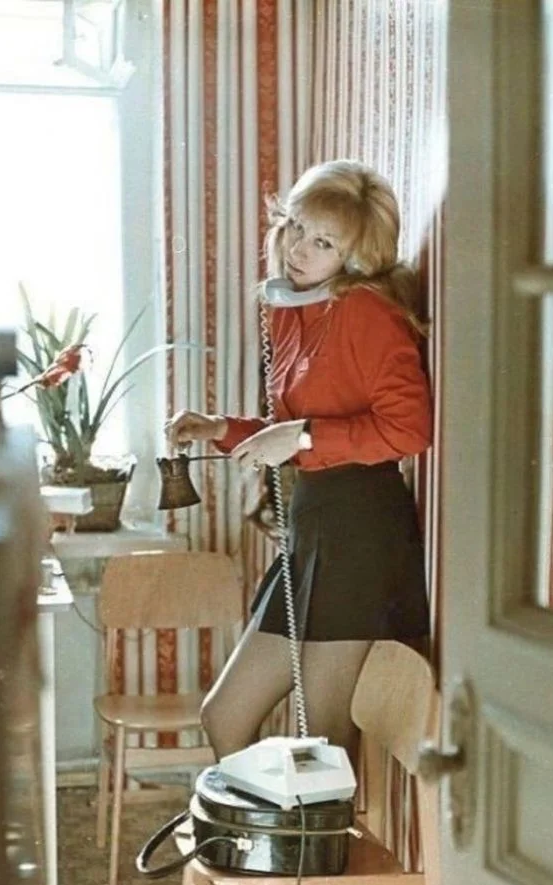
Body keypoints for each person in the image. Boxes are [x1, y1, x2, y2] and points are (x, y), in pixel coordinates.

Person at [166, 159, 432, 775]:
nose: (299, 249)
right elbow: (293, 431)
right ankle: (276, 831)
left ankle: (316, 841)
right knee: (226, 714)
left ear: (356, 256)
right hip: (313, 525)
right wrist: (219, 428)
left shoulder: (367, 312)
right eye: (296, 228)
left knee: (322, 741)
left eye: (323, 243)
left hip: (361, 529)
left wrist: (303, 435)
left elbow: (409, 429)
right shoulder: (294, 308)